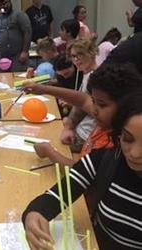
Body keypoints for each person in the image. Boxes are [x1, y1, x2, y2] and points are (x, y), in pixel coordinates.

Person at [22, 91, 142, 250]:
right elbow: (57, 196)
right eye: (127, 138)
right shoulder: (107, 160)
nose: (135, 153)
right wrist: (35, 214)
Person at [23, 63, 142, 166]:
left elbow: (83, 174)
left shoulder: (116, 142)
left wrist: (50, 153)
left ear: (126, 106)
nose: (94, 110)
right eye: (94, 101)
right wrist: (43, 89)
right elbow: (83, 100)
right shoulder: (106, 117)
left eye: (101, 104)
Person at [0, 0, 31, 72]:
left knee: (18, 79)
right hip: (2, 58)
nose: (4, 6)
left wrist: (25, 51)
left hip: (18, 56)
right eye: (1, 4)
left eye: (5, 3)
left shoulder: (20, 15)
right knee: (3, 80)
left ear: (10, 2)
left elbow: (27, 32)